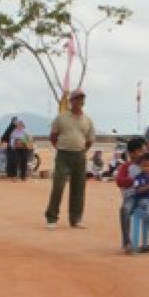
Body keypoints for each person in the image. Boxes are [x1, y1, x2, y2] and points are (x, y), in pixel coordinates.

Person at [44, 89, 95, 229]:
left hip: (79, 155)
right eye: (77, 98)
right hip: (63, 155)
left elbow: (90, 140)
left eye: (81, 99)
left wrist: (83, 150)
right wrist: (60, 147)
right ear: (71, 101)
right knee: (58, 186)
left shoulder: (88, 120)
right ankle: (51, 218)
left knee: (78, 188)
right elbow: (53, 136)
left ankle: (76, 219)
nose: (79, 101)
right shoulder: (61, 118)